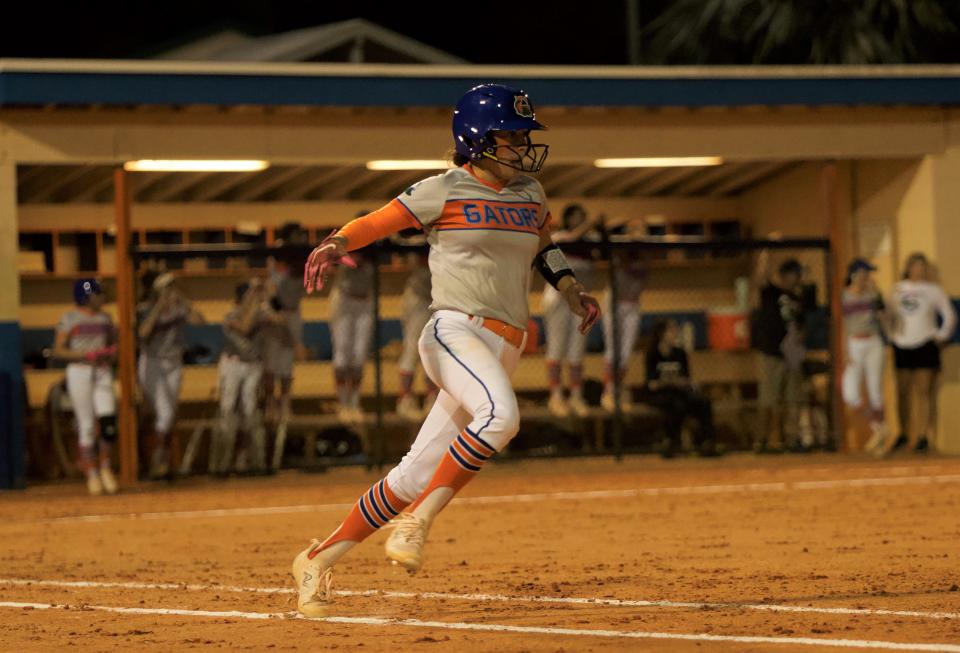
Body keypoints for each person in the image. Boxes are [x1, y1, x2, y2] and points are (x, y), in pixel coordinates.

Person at [291, 83, 601, 618]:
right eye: (511, 134)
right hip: (455, 331)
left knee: (413, 474)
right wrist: (338, 242)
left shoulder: (530, 192)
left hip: (507, 342)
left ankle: (316, 560)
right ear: (477, 137)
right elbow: (378, 221)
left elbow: (544, 248)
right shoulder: (445, 188)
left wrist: (572, 290)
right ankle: (418, 521)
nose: (521, 145)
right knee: (501, 417)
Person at [885, 253, 956, 453]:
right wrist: (891, 335)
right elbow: (889, 315)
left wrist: (941, 336)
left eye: (922, 266)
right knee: (902, 391)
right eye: (915, 266)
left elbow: (949, 314)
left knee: (924, 391)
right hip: (901, 343)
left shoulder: (934, 290)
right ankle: (903, 433)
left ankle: (923, 436)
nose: (919, 270)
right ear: (908, 268)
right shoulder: (897, 289)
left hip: (925, 343)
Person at [53, 279, 119, 495]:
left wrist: (110, 353)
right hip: (79, 370)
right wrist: (84, 354)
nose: (101, 297)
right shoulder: (70, 318)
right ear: (86, 296)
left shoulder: (105, 317)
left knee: (108, 422)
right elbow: (59, 350)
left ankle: (105, 467)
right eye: (96, 294)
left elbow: (114, 344)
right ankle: (91, 472)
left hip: (101, 371)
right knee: (87, 425)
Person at [137, 271, 205, 479]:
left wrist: (182, 299)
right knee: (163, 414)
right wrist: (159, 306)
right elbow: (142, 333)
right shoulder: (145, 309)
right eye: (167, 287)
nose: (171, 290)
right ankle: (158, 458)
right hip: (152, 363)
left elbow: (200, 321)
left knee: (168, 415)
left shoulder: (179, 308)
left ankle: (162, 461)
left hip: (174, 363)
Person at [209, 279, 272, 475]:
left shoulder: (262, 313)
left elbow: (280, 319)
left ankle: (251, 460)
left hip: (253, 365)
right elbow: (244, 326)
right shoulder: (230, 316)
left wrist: (267, 294)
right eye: (248, 295)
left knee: (250, 411)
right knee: (227, 410)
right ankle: (221, 463)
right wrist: (252, 299)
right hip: (232, 365)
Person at [543, 203, 599, 418]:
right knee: (556, 348)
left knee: (577, 351)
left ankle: (576, 395)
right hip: (558, 300)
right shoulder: (559, 238)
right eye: (576, 217)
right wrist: (589, 224)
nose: (580, 221)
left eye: (582, 217)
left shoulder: (589, 243)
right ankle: (556, 395)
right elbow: (573, 236)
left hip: (582, 303)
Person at [263, 222, 308, 469]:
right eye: (297, 236)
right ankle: (271, 404)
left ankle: (285, 404)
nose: (300, 239)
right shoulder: (277, 252)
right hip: (275, 311)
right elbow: (271, 285)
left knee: (287, 362)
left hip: (293, 311)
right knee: (272, 362)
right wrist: (276, 311)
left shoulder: (303, 255)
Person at [753, 254, 807, 453]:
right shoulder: (771, 293)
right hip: (771, 351)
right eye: (795, 274)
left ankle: (792, 439)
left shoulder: (797, 298)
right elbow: (760, 277)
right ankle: (762, 441)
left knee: (794, 399)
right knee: (769, 399)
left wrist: (798, 340)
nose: (798, 279)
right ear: (785, 275)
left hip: (792, 354)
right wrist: (767, 251)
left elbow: (802, 325)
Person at [642, 320, 720, 458]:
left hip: (679, 392)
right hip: (661, 394)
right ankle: (671, 442)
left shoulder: (680, 353)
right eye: (671, 330)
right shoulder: (652, 353)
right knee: (676, 405)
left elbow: (686, 379)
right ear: (662, 334)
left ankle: (706, 442)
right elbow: (652, 384)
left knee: (703, 402)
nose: (675, 333)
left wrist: (672, 381)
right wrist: (670, 382)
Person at [329, 213, 376, 424]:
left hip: (365, 302)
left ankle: (355, 403)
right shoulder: (347, 239)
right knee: (342, 357)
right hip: (344, 300)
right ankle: (343, 403)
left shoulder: (377, 241)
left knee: (358, 356)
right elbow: (334, 257)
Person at [840, 258, 889, 454]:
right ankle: (879, 426)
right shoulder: (844, 295)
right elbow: (843, 324)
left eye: (868, 274)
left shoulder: (872, 295)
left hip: (874, 341)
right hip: (854, 343)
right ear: (855, 274)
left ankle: (880, 436)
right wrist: (845, 350)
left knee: (875, 388)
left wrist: (878, 296)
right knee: (850, 394)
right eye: (864, 273)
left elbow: (884, 318)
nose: (867, 277)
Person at [396, 241, 438, 420]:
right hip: (418, 299)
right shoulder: (416, 239)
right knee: (413, 349)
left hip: (437, 299)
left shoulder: (443, 234)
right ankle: (405, 398)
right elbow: (406, 259)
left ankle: (432, 397)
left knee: (435, 351)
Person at [601, 249, 644, 412]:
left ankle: (616, 389)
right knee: (613, 350)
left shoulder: (646, 253)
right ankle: (608, 392)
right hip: (614, 303)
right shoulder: (618, 250)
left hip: (633, 304)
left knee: (625, 354)